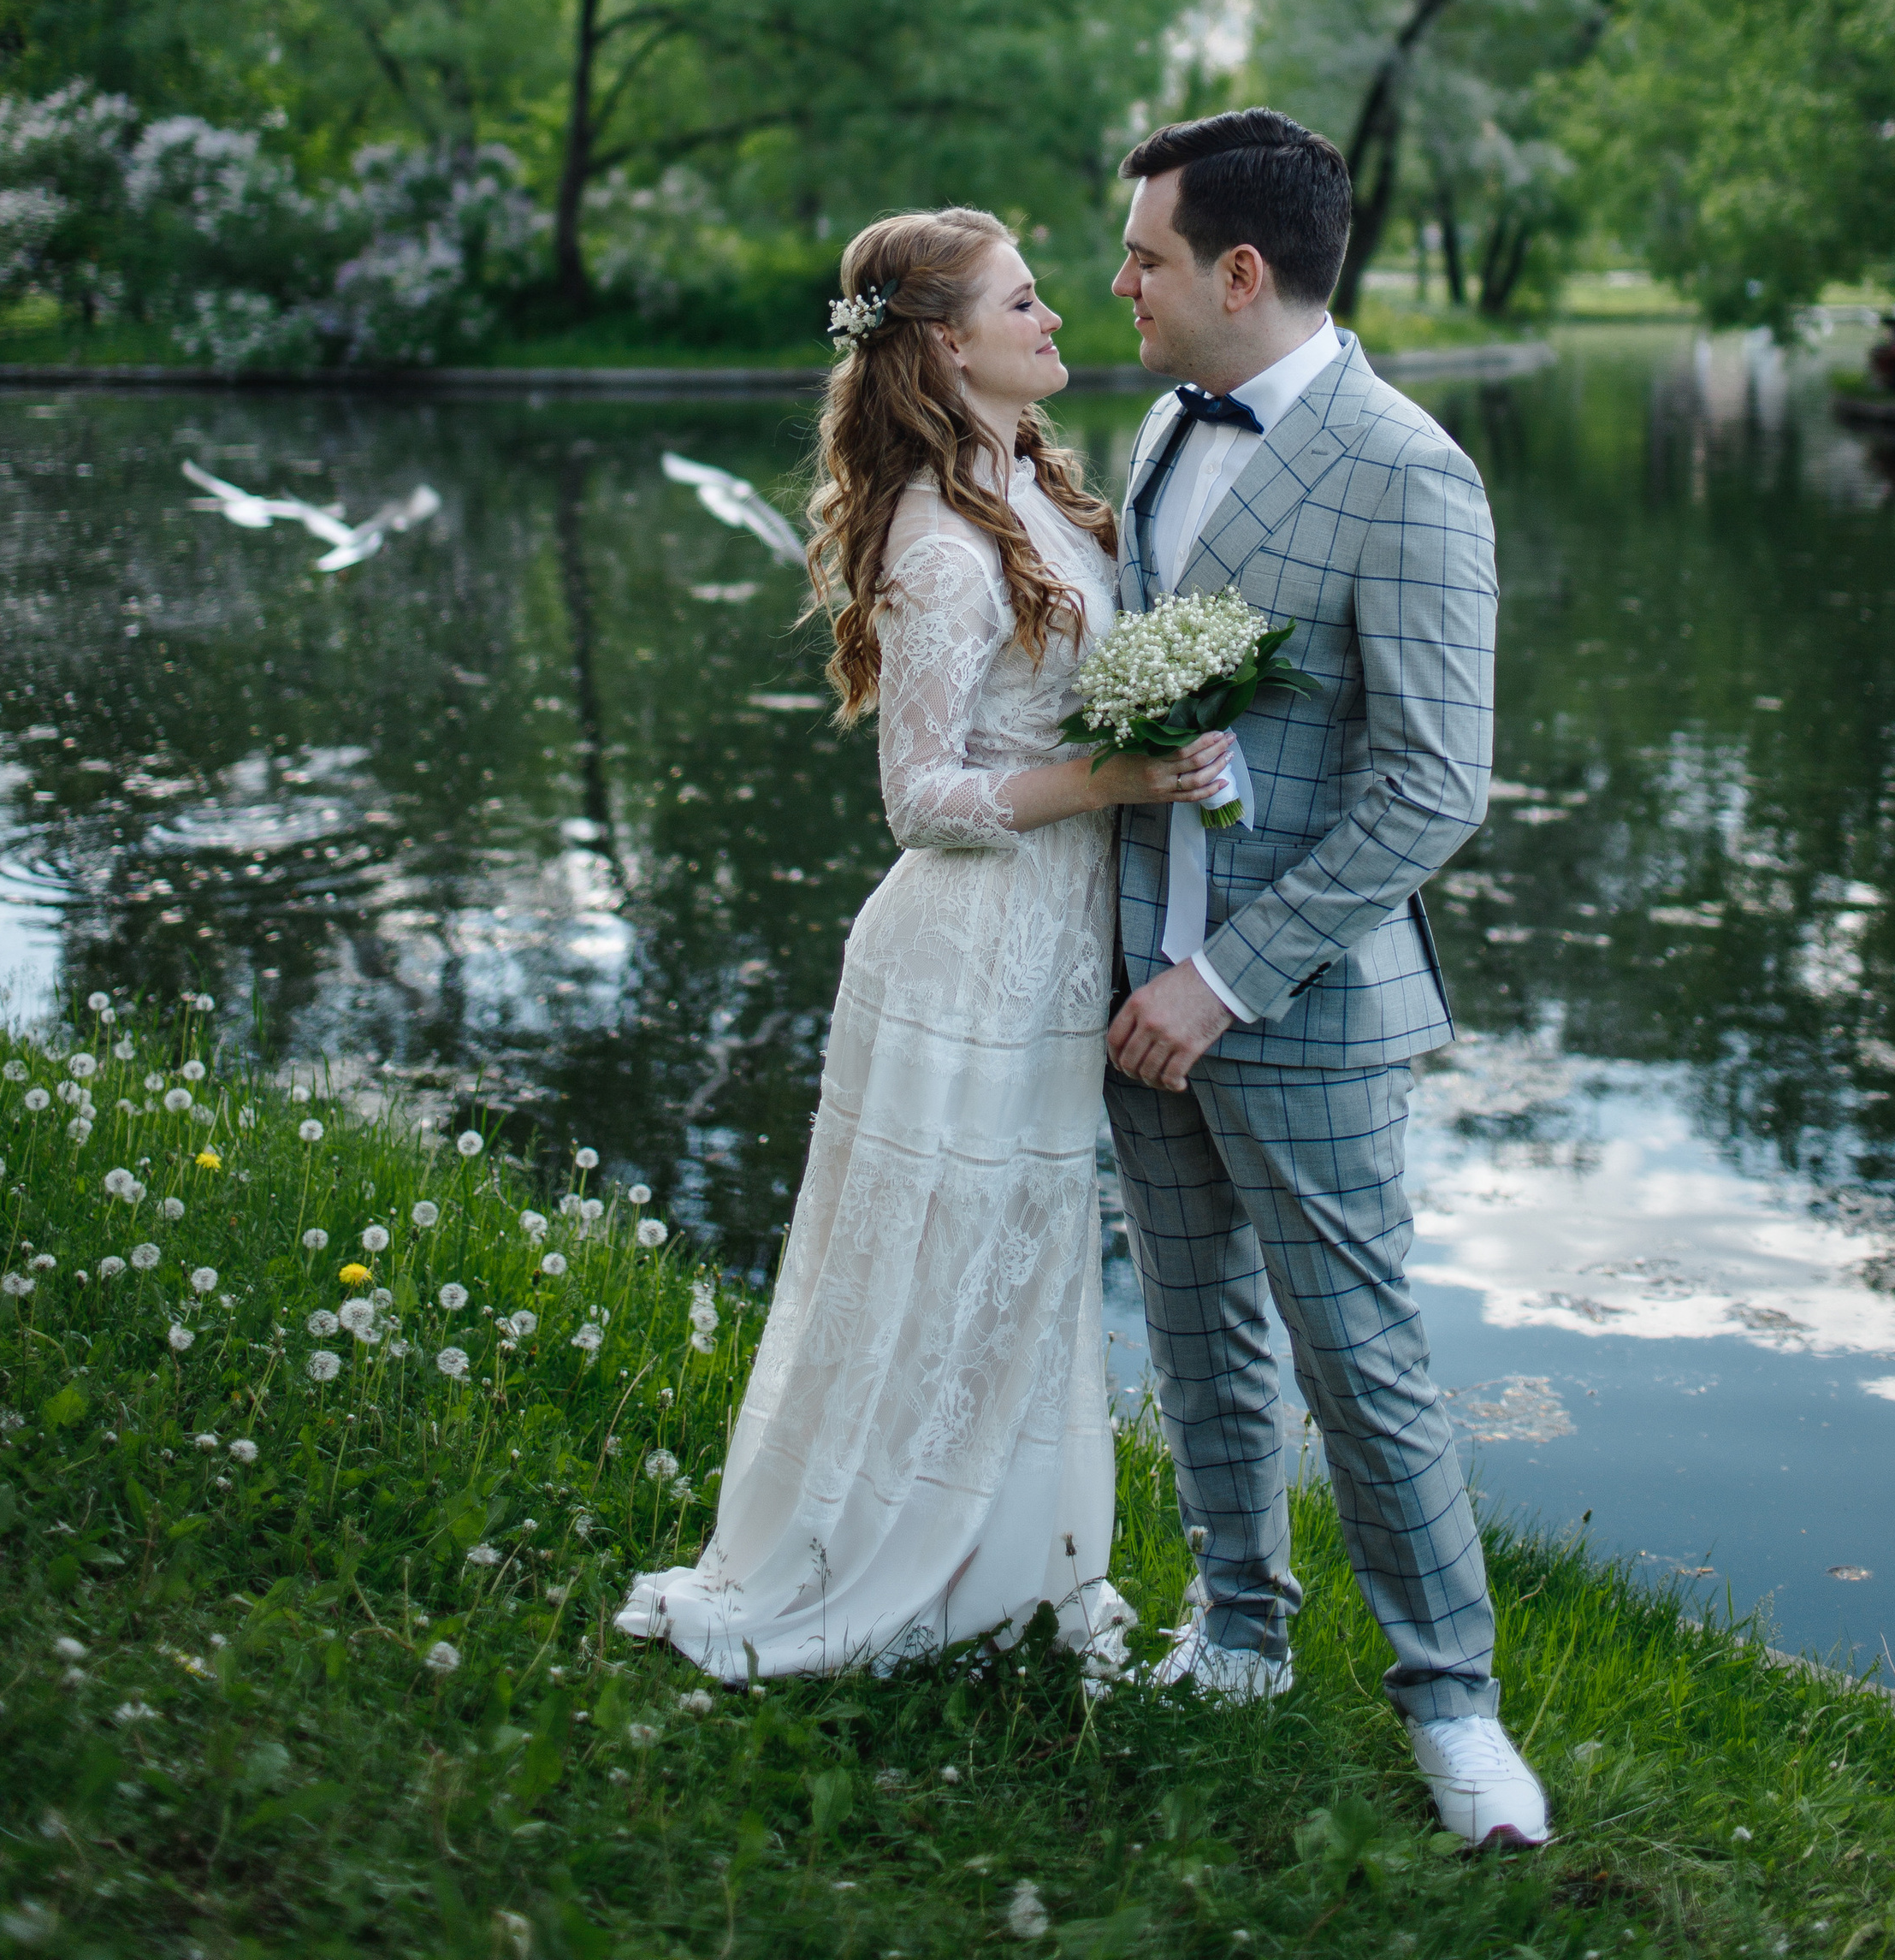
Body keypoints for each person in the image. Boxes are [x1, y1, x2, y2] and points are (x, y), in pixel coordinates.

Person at [616, 205, 1232, 1680]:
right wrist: (1116, 777)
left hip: (1048, 942)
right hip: (963, 953)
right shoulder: (940, 541)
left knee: (1014, 1265)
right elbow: (919, 796)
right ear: (948, 342)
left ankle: (999, 1569)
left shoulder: (1033, 484)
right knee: (930, 1268)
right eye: (1027, 302)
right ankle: (869, 1568)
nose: (1061, 318)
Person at [1102, 109, 1550, 1852]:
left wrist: (1225, 976)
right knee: (1196, 1338)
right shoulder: (1155, 430)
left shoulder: (1406, 469)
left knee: (1356, 1356)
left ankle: (1451, 1703)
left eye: (1142, 256)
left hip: (1291, 1004)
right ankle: (1236, 1629)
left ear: (1236, 270)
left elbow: (1433, 785)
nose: (1116, 285)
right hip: (1131, 983)